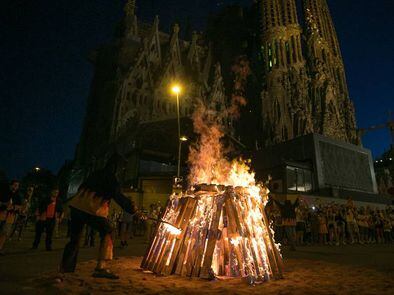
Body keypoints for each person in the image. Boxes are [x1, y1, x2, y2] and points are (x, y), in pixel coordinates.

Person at [60, 158, 135, 279]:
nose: (122, 171)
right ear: (116, 168)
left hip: (76, 206)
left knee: (74, 239)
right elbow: (118, 196)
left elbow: (82, 187)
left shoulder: (95, 173)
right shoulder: (111, 178)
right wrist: (132, 208)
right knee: (108, 232)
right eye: (122, 168)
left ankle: (65, 269)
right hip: (91, 208)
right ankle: (101, 267)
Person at [0, 180, 22, 254]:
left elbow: (20, 206)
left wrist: (15, 207)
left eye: (17, 186)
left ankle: (0, 248)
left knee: (5, 233)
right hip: (1, 214)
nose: (16, 187)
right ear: (11, 185)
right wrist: (4, 204)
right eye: (15, 185)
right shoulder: (3, 192)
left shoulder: (18, 196)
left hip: (10, 217)